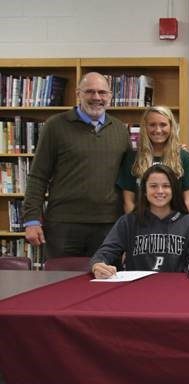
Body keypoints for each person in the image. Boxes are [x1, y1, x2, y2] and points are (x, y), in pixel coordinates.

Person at [22, 72, 131, 258]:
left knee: (106, 282)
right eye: (90, 91)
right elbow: (38, 176)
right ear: (78, 93)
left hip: (108, 224)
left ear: (110, 96)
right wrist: (31, 220)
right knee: (61, 283)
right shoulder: (55, 126)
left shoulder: (120, 129)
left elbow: (130, 176)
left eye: (102, 92)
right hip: (63, 225)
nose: (96, 97)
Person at [91, 164, 189, 278]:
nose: (160, 191)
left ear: (173, 190)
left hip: (176, 290)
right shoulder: (128, 222)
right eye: (153, 186)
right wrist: (98, 265)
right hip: (136, 289)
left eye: (166, 186)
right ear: (145, 191)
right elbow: (105, 252)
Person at [117, 105, 189, 213]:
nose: (158, 130)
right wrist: (138, 226)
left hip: (174, 226)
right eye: (152, 125)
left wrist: (173, 225)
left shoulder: (185, 158)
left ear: (171, 127)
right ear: (145, 127)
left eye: (163, 125)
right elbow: (128, 202)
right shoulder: (132, 158)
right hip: (140, 225)